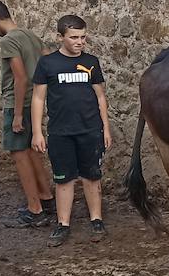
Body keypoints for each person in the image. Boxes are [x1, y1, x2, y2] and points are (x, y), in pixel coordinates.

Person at [32, 15, 112, 247]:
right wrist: (37, 132)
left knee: (92, 175)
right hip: (60, 131)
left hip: (90, 129)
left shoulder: (91, 62)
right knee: (64, 178)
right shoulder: (48, 64)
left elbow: (100, 96)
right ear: (60, 37)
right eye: (74, 37)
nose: (80, 42)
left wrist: (105, 128)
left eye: (83, 37)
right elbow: (38, 98)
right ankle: (63, 223)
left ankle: (96, 220)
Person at [0, 0, 55, 228]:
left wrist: (17, 116)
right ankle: (46, 197)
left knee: (19, 154)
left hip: (18, 103)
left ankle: (35, 210)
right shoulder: (30, 35)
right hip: (36, 100)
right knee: (33, 151)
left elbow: (20, 78)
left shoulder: (8, 41)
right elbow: (48, 58)